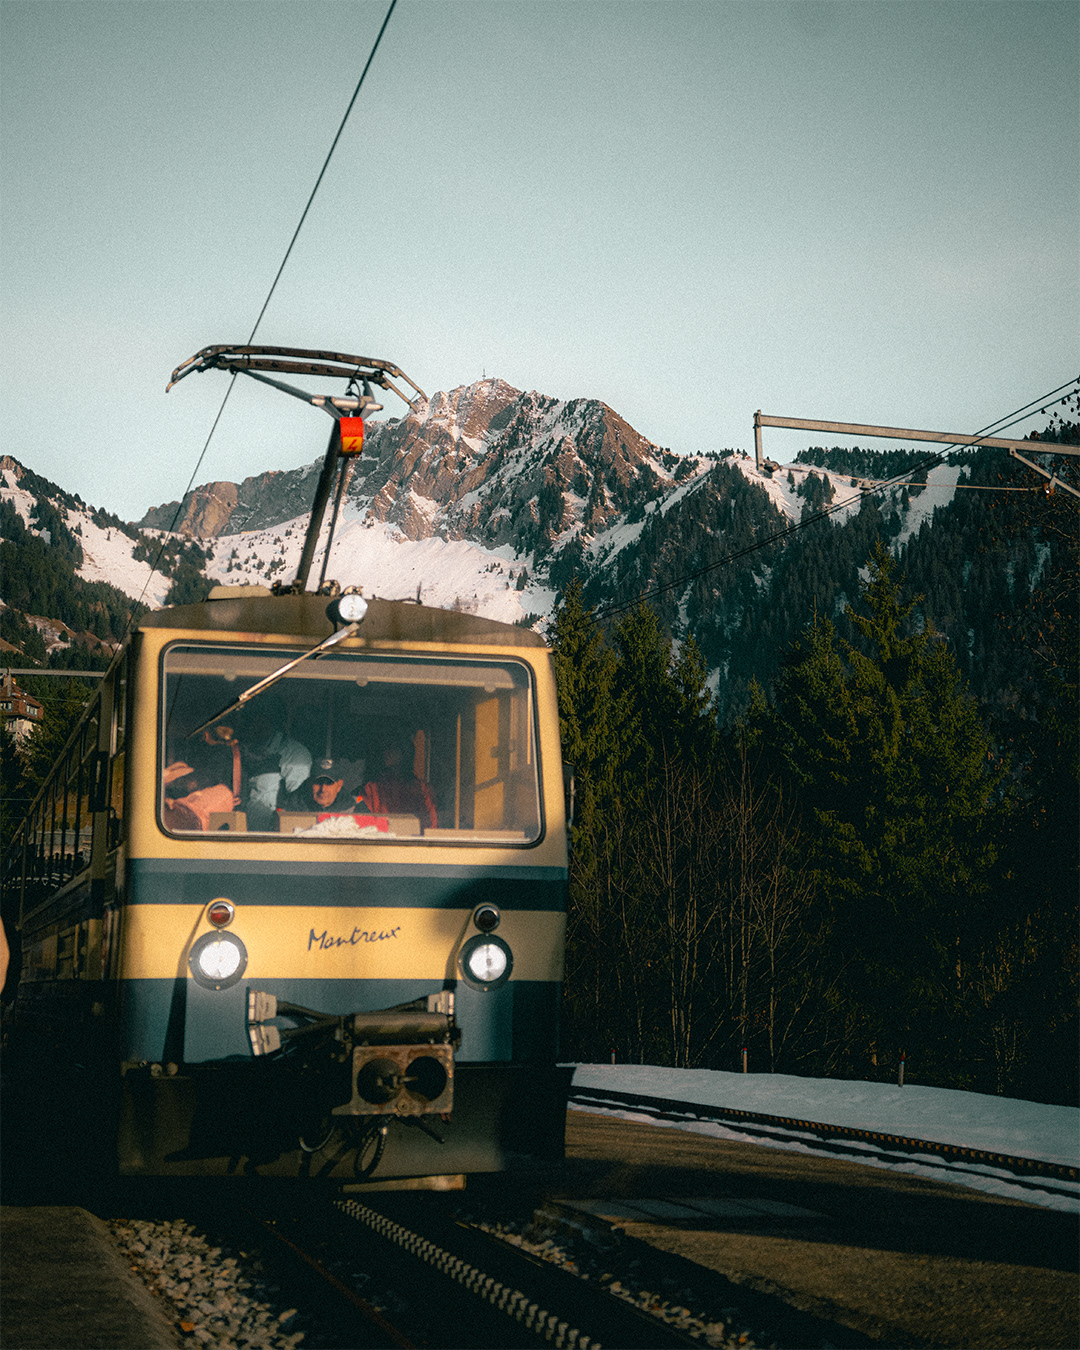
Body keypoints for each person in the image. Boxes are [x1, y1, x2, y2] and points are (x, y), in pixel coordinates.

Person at [237, 707, 312, 829]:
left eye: (261, 719)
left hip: (273, 831)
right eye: (251, 719)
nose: (253, 725)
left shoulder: (295, 754)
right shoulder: (241, 750)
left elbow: (298, 803)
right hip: (243, 828)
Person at [363, 737, 437, 829]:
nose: (386, 753)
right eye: (384, 749)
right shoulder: (372, 788)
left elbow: (430, 823)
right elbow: (364, 823)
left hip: (414, 836)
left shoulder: (420, 788)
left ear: (405, 752)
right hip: (381, 836)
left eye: (392, 748)